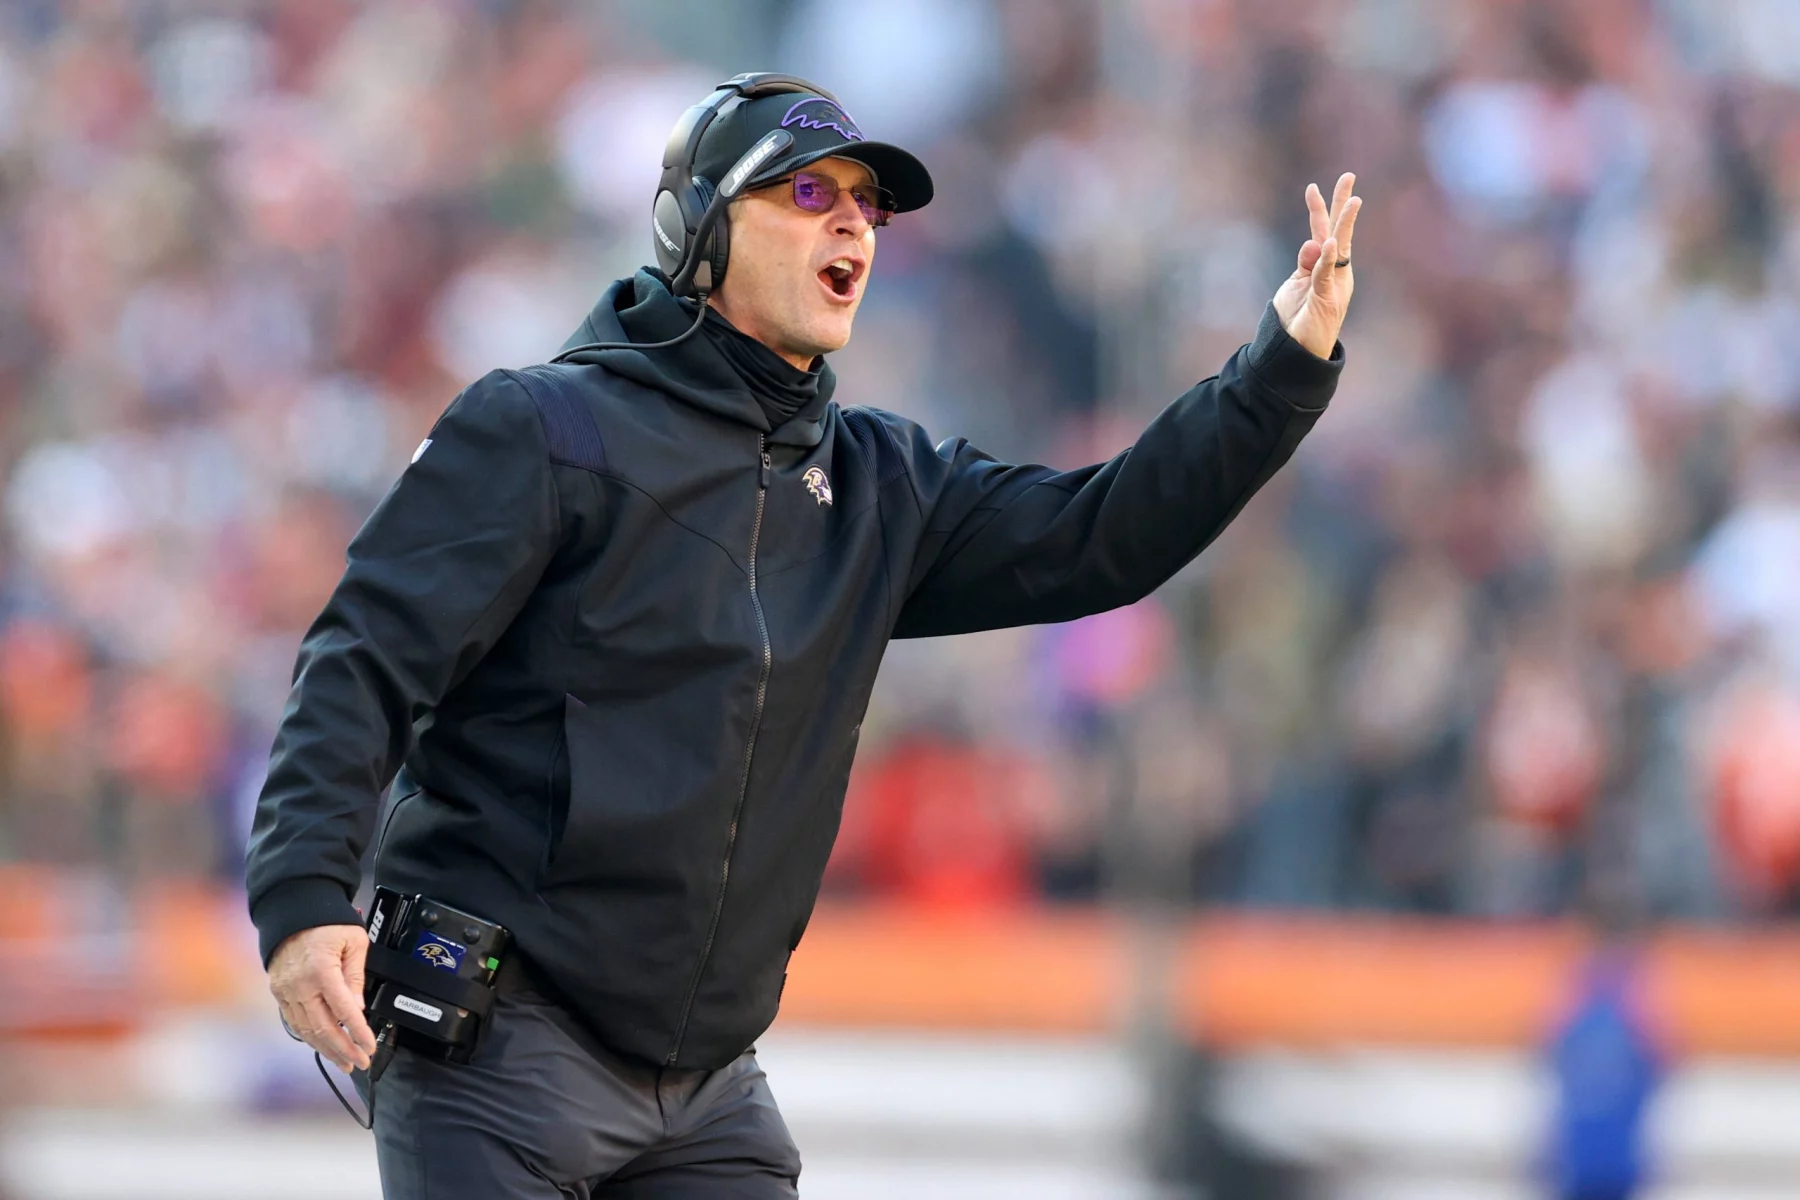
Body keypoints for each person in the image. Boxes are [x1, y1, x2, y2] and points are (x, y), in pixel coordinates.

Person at [245, 71, 1361, 1198]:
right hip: (502, 1052)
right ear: (696, 230)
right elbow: (364, 657)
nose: (852, 225)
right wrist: (301, 897)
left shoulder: (880, 483)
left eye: (868, 205)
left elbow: (1101, 536)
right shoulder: (542, 428)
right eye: (809, 192)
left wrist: (1281, 366)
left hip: (708, 1085)